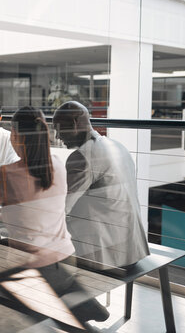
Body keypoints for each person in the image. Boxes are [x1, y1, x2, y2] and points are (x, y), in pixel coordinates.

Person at [0, 106, 109, 323]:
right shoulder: (58, 164)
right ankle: (74, 297)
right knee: (11, 246)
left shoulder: (4, 175)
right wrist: (6, 214)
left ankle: (0, 314)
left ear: (14, 136)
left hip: (35, 267)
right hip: (67, 259)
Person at [53, 101, 150, 270]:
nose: (57, 137)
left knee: (39, 255)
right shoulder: (117, 146)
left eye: (59, 129)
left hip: (107, 255)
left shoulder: (83, 156)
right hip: (133, 248)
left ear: (75, 124)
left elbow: (61, 208)